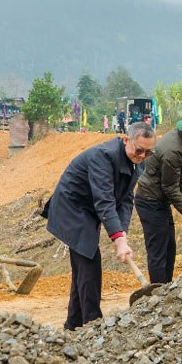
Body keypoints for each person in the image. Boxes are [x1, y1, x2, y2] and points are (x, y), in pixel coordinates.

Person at [45, 123, 152, 329]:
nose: (142, 155)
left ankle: (74, 325)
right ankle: (93, 324)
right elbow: (104, 201)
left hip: (89, 210)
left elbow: (126, 198)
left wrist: (122, 234)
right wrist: (117, 238)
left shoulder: (138, 163)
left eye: (148, 152)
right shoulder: (102, 157)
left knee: (83, 268)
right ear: (126, 140)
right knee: (89, 263)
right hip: (71, 207)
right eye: (139, 150)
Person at [133, 112, 182, 284]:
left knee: (169, 248)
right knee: (158, 251)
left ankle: (166, 287)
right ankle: (159, 293)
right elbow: (169, 188)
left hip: (160, 200)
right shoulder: (172, 150)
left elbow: (174, 180)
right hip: (151, 202)